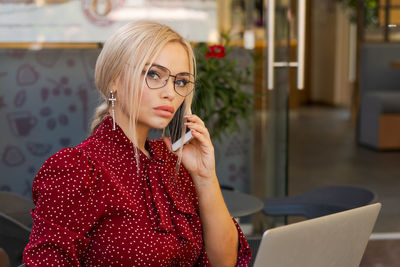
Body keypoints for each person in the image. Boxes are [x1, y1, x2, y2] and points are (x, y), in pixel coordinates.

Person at [23, 21, 251, 266]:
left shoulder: (173, 162)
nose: (171, 93)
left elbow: (224, 262)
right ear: (114, 80)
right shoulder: (77, 168)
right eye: (154, 74)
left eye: (181, 81)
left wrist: (205, 177)